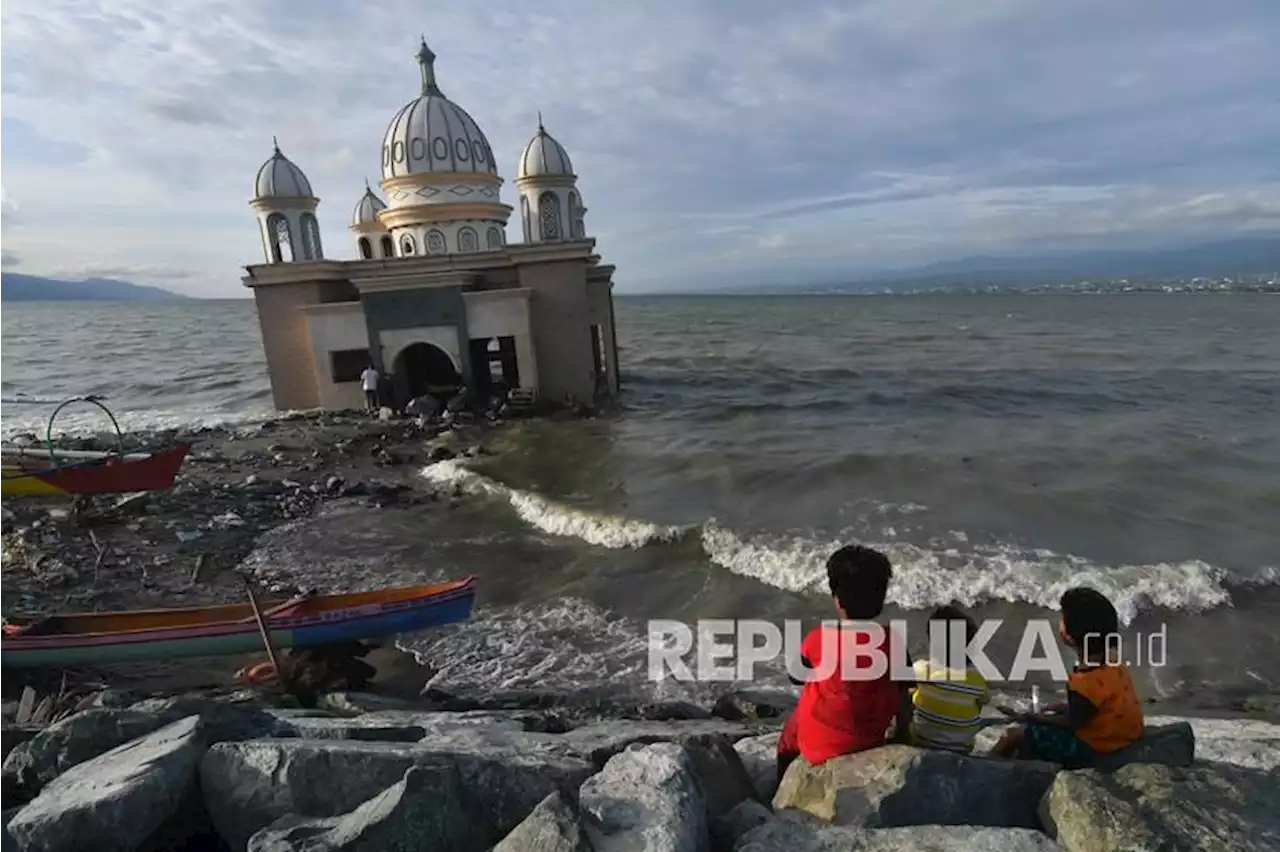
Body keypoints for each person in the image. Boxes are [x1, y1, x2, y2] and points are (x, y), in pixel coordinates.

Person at [776, 545, 913, 786]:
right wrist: (903, 734)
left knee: (789, 734)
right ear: (881, 599)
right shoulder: (893, 642)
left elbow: (796, 677)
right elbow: (906, 690)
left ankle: (782, 785)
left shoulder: (819, 638)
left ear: (837, 599)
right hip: (871, 740)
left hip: (819, 747)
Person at [989, 587, 1143, 768]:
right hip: (1125, 734)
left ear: (1068, 637)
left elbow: (1072, 723)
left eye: (1062, 619)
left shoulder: (1083, 683)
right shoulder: (1113, 662)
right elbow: (1100, 703)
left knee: (1014, 734)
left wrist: (1034, 718)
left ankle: (986, 767)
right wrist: (1064, 706)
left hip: (1097, 747)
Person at [908, 605, 989, 754]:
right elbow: (982, 702)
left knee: (911, 691)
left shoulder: (920, 669)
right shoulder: (978, 678)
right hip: (961, 749)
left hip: (920, 743)